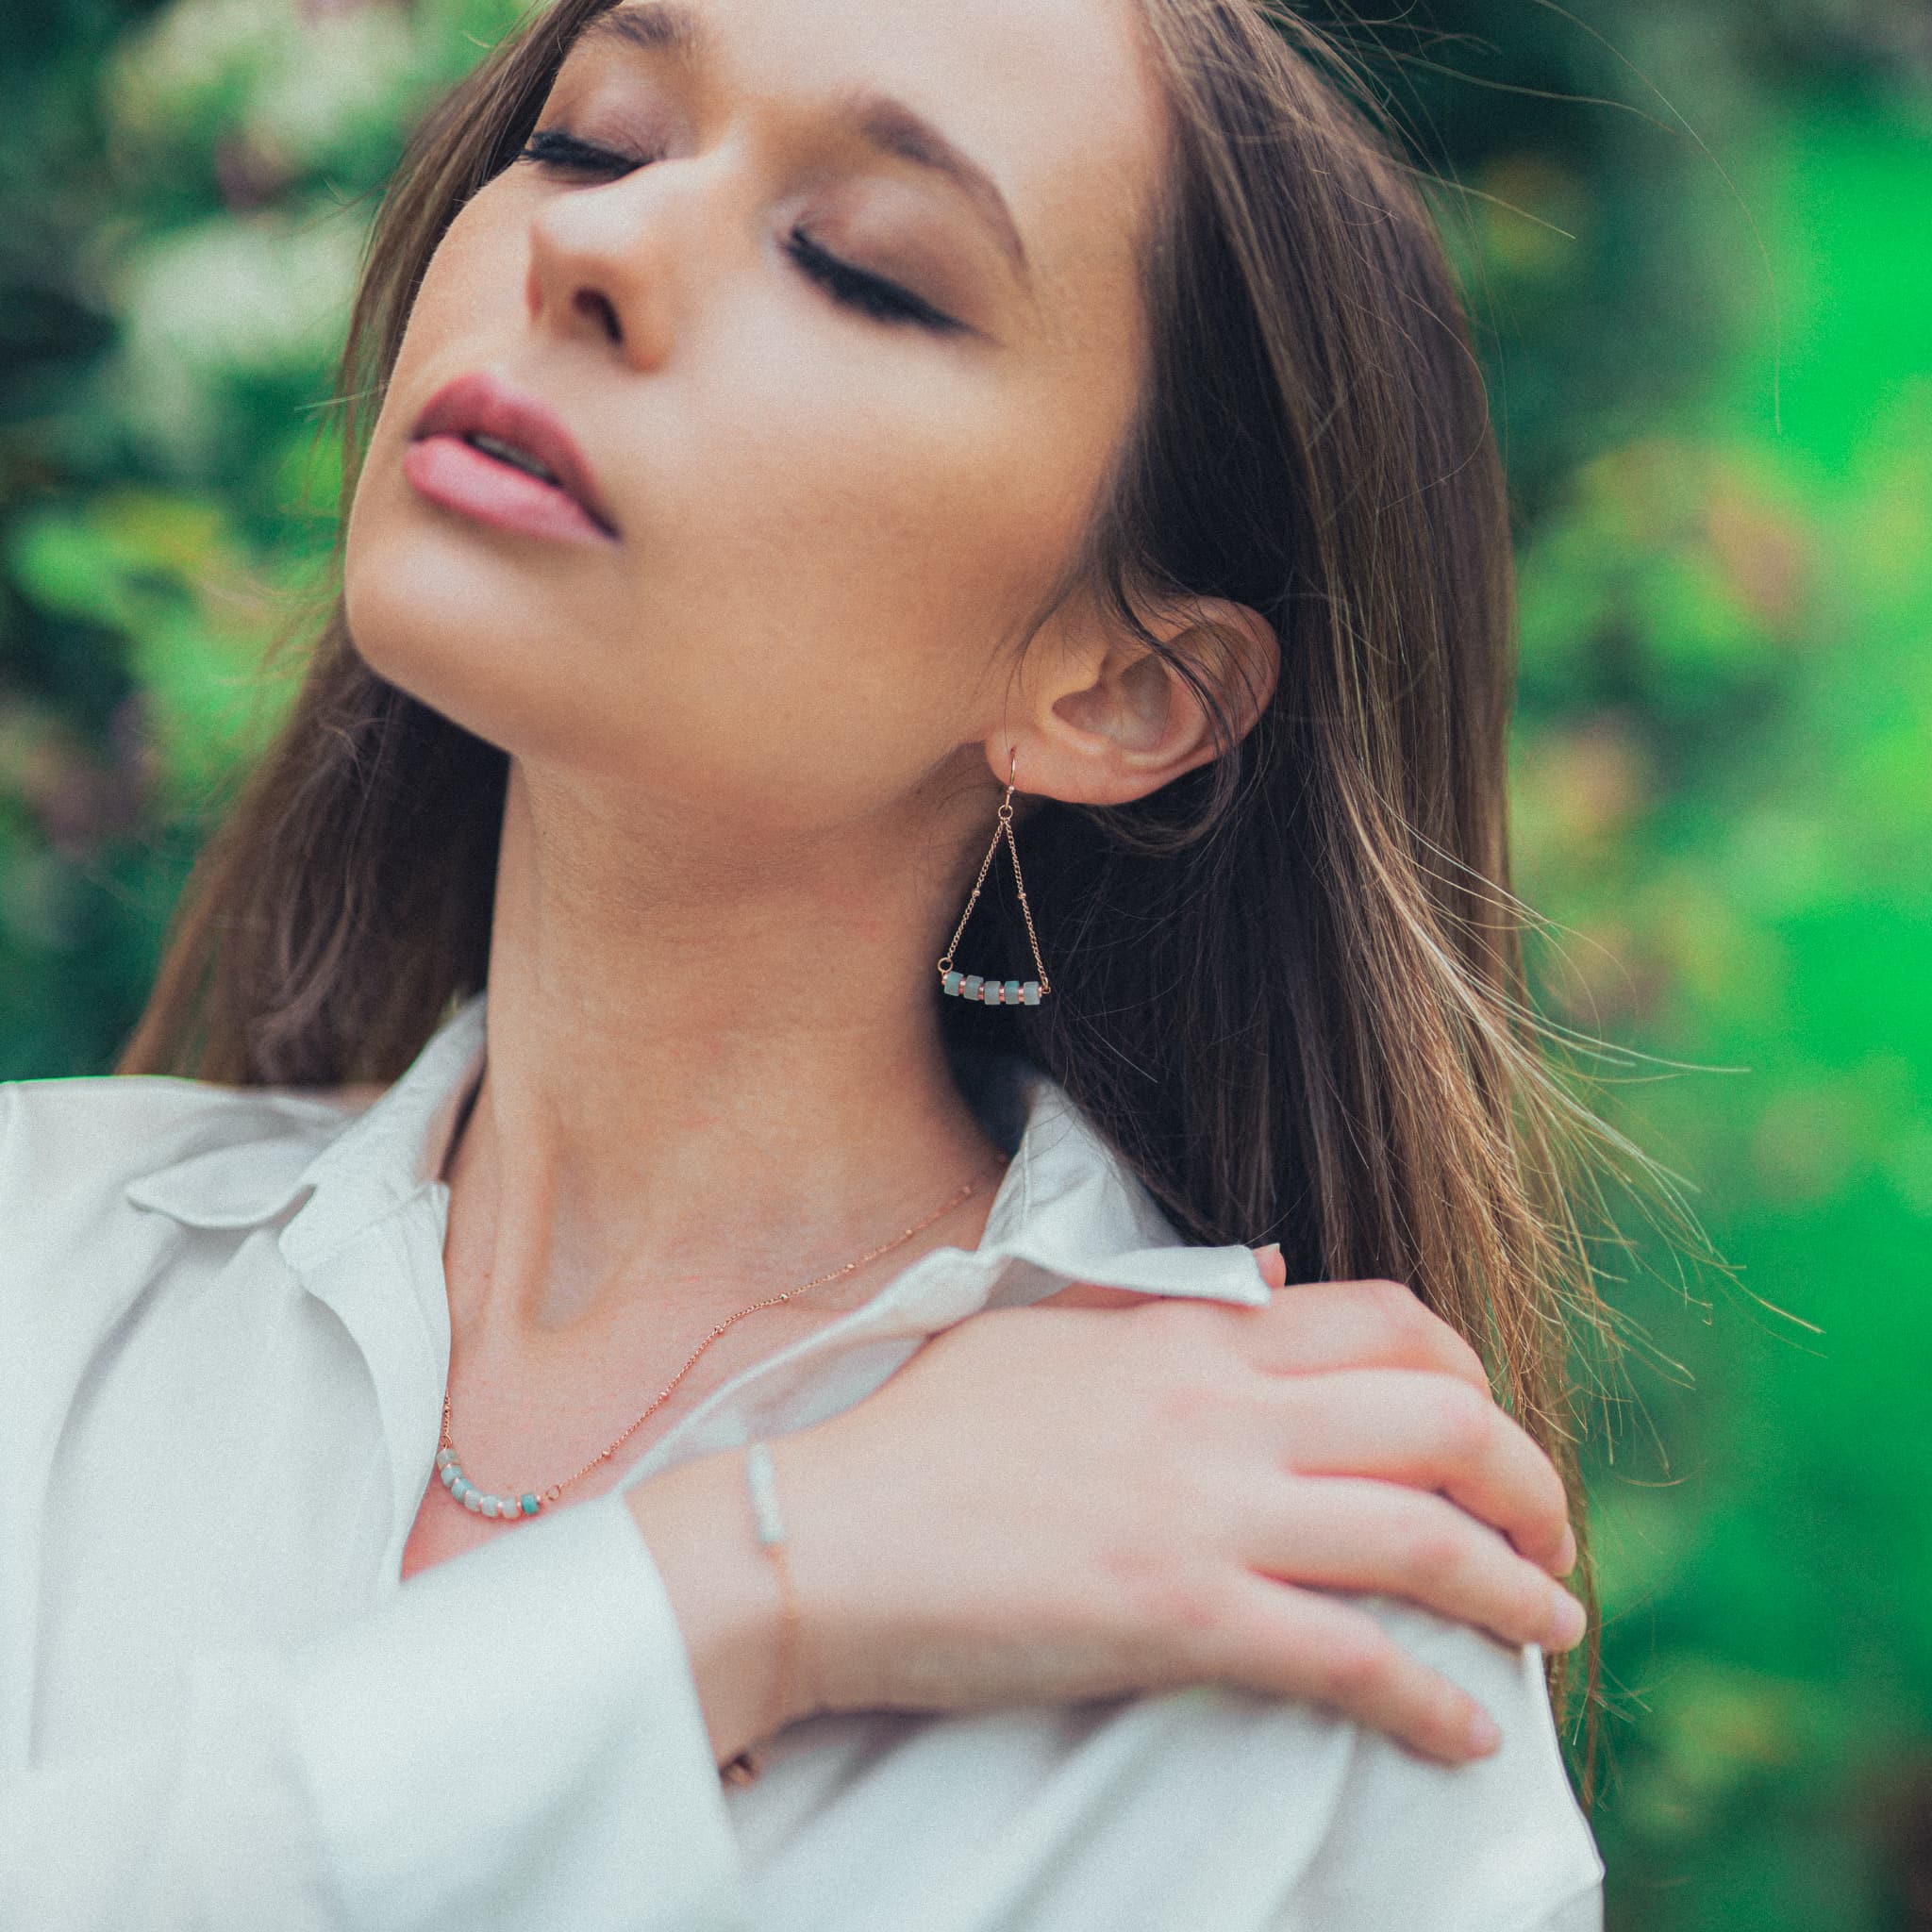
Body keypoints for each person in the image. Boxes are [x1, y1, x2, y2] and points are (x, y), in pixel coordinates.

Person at [0, 0, 1620, 1925]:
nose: (590, 245)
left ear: (1124, 688)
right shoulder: (40, 1256)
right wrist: (738, 1585)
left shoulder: (1291, 1616)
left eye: (862, 269)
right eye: (596, 139)